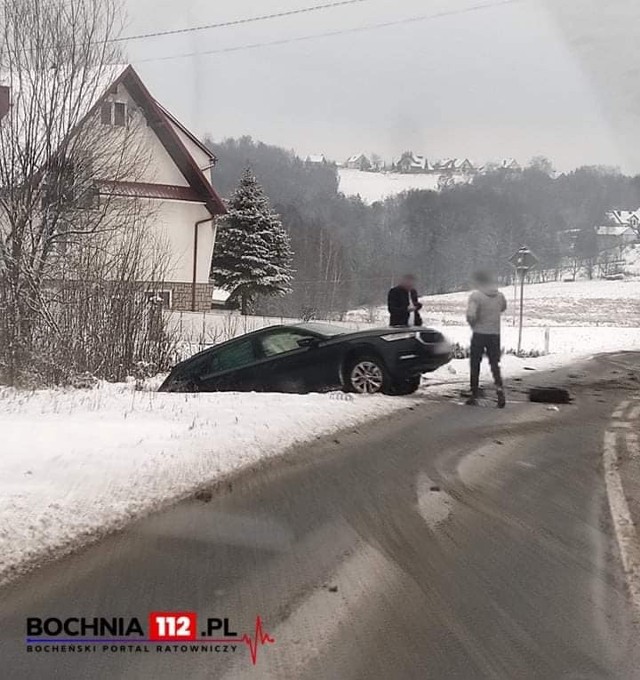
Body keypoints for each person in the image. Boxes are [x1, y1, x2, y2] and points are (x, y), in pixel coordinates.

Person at [465, 270, 507, 408]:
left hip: (479, 333)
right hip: (495, 334)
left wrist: (474, 325)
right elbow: (503, 308)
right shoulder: (499, 295)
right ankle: (499, 390)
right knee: (495, 363)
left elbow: (471, 315)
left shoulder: (476, 296)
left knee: (475, 363)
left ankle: (474, 393)